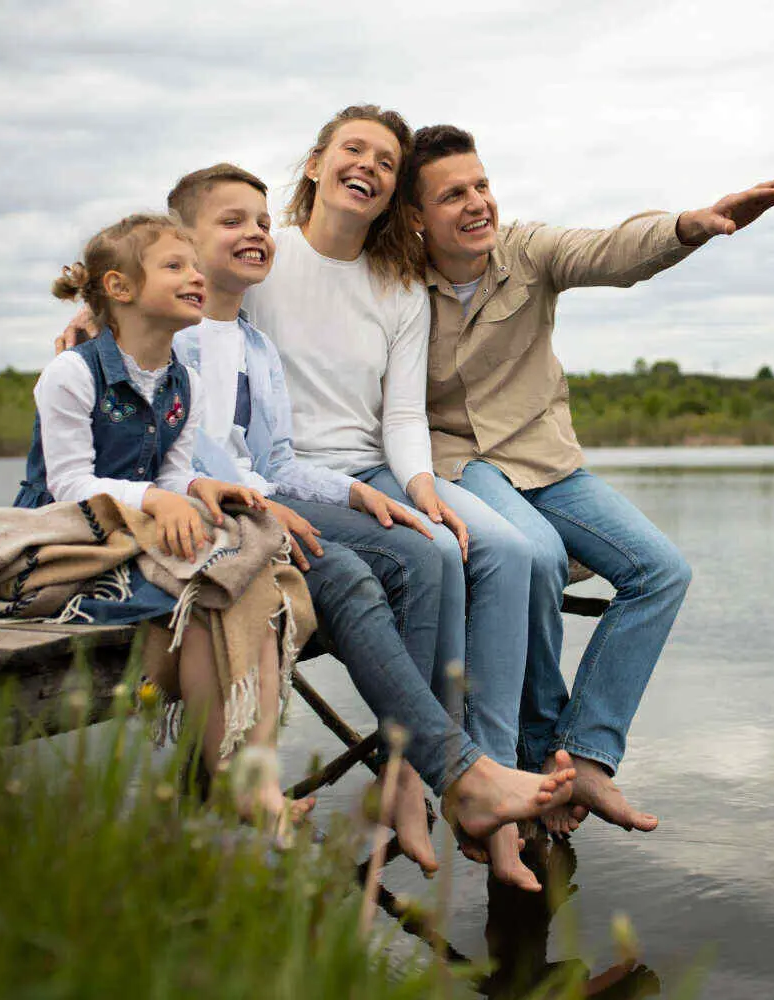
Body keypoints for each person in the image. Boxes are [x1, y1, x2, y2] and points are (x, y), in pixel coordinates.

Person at [406, 124, 774, 836]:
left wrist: (689, 227)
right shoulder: (397, 283)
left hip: (545, 461)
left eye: (482, 185)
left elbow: (612, 251)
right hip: (460, 462)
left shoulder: (525, 251)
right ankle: (533, 755)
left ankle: (584, 753)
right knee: (538, 558)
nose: (476, 204)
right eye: (453, 194)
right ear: (417, 216)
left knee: (661, 571)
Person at [242, 105, 544, 888]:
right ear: (315, 164)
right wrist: (90, 314)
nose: (369, 166)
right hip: (276, 478)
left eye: (385, 160)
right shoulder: (260, 259)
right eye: (354, 150)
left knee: (451, 539)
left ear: (391, 193)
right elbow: (169, 293)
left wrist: (419, 487)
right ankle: (418, 776)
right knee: (424, 553)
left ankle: (433, 773)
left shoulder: (397, 285)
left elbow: (402, 415)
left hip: (372, 469)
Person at [17, 212, 307, 832]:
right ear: (120, 289)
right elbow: (67, 483)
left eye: (194, 267)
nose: (195, 276)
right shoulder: (73, 373)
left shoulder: (185, 381)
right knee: (199, 597)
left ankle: (254, 775)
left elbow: (174, 474)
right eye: (175, 266)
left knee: (241, 582)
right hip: (69, 531)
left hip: (142, 529)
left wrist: (199, 487)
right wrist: (156, 498)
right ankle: (232, 779)